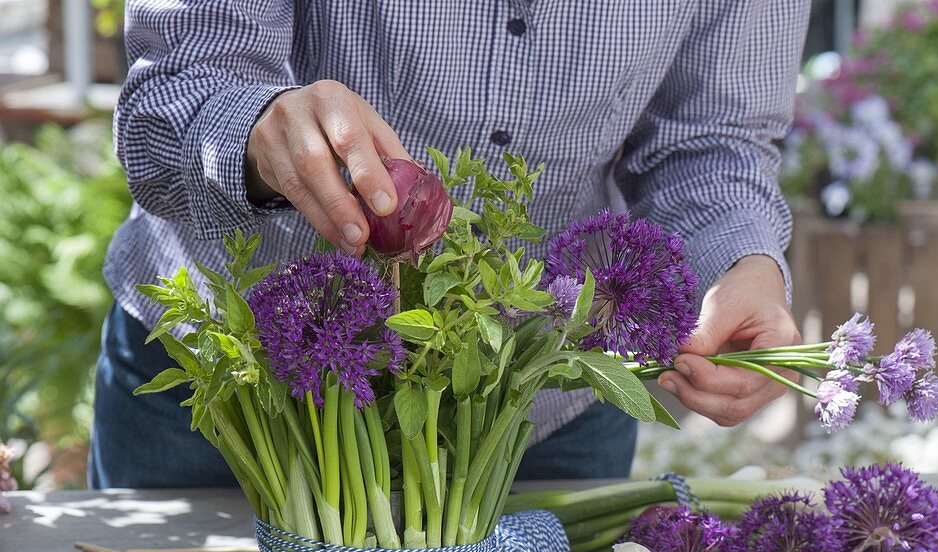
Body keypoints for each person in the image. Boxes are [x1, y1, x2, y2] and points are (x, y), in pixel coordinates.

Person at [89, 1, 809, 490]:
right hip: (235, 381)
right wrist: (257, 131)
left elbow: (711, 144)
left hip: (535, 400)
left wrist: (741, 265)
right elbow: (170, 101)